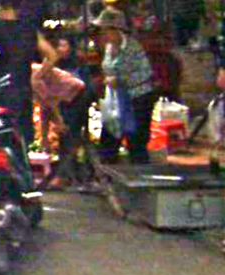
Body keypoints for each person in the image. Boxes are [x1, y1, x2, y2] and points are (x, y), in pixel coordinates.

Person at [0, 0, 58, 188]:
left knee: (0, 139)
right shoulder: (29, 30)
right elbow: (52, 55)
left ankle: (4, 181)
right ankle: (24, 181)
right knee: (21, 139)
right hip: (22, 91)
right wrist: (38, 75)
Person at [93, 7, 156, 164]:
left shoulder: (133, 47)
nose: (103, 34)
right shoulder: (109, 47)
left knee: (136, 139)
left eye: (106, 30)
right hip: (115, 99)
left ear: (116, 30)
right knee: (109, 135)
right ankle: (108, 166)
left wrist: (121, 81)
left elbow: (145, 73)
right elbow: (107, 69)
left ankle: (139, 169)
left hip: (137, 97)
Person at [46, 34, 95, 190]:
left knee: (73, 141)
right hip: (61, 109)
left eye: (64, 45)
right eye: (59, 46)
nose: (61, 49)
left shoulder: (79, 66)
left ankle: (68, 176)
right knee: (64, 143)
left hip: (78, 109)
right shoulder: (53, 66)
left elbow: (88, 88)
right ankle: (67, 176)